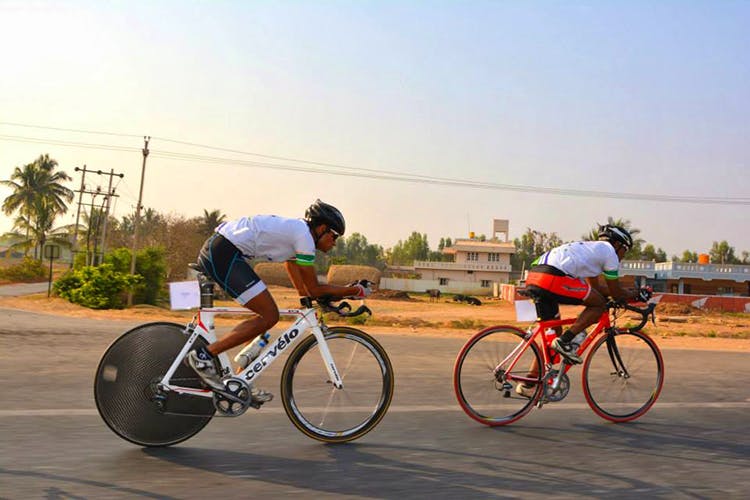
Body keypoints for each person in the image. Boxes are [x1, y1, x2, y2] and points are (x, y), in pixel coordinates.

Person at [187, 200, 372, 398]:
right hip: (223, 253)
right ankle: (203, 356)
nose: (334, 243)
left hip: (224, 250)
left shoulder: (298, 234)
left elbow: (292, 267)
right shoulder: (304, 238)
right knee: (269, 315)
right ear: (322, 228)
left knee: (266, 316)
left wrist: (306, 296)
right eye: (334, 236)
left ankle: (235, 377)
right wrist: (354, 291)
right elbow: (315, 288)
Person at [515, 224, 649, 398]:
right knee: (599, 306)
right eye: (625, 250)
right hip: (552, 276)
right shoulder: (610, 254)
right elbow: (615, 293)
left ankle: (529, 382)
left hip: (535, 276)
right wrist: (638, 294)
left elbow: (598, 289)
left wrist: (629, 293)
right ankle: (566, 341)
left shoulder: (591, 253)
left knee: (552, 335)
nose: (623, 256)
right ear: (618, 245)